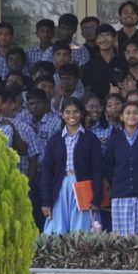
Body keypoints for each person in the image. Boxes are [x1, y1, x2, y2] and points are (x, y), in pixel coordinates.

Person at [40, 98, 104, 235]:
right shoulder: (54, 140)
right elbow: (47, 171)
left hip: (84, 186)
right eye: (67, 112)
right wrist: (46, 201)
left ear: (81, 114)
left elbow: (98, 170)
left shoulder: (91, 139)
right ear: (62, 115)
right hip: (60, 187)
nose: (71, 116)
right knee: (57, 230)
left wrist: (96, 198)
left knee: (82, 230)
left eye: (75, 112)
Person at [103, 101, 138, 236]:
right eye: (127, 113)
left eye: (135, 113)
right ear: (121, 117)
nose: (131, 116)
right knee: (122, 239)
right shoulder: (114, 140)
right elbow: (109, 166)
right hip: (121, 195)